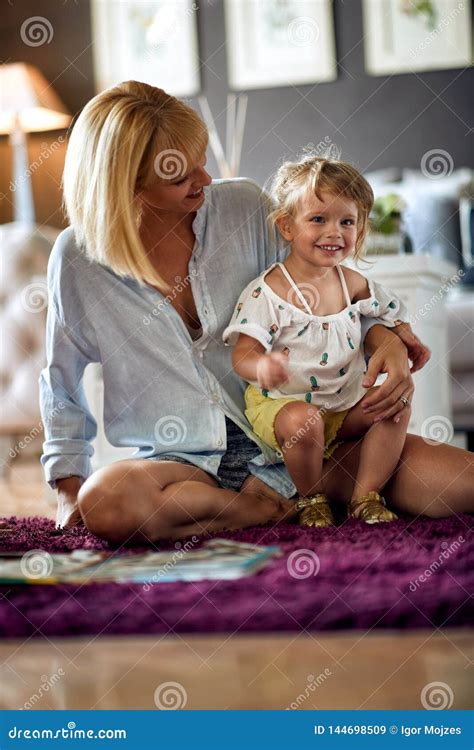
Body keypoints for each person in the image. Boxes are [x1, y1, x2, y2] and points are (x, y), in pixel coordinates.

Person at [39, 81, 473, 546]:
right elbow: (61, 380)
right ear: (125, 185)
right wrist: (67, 488)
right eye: (180, 175)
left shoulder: (244, 208)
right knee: (106, 501)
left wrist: (386, 340)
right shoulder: (77, 261)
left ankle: (299, 498)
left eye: (201, 161)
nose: (205, 180)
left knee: (462, 481)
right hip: (184, 468)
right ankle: (259, 510)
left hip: (305, 448)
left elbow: (331, 290)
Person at [223, 154, 411, 528]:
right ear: (286, 226)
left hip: (342, 407)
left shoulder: (351, 283)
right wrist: (261, 366)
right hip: (283, 407)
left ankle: (365, 496)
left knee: (397, 400)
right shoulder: (268, 293)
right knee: (303, 421)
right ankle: (311, 498)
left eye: (347, 221)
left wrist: (403, 336)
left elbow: (391, 310)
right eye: (318, 219)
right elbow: (242, 352)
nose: (334, 232)